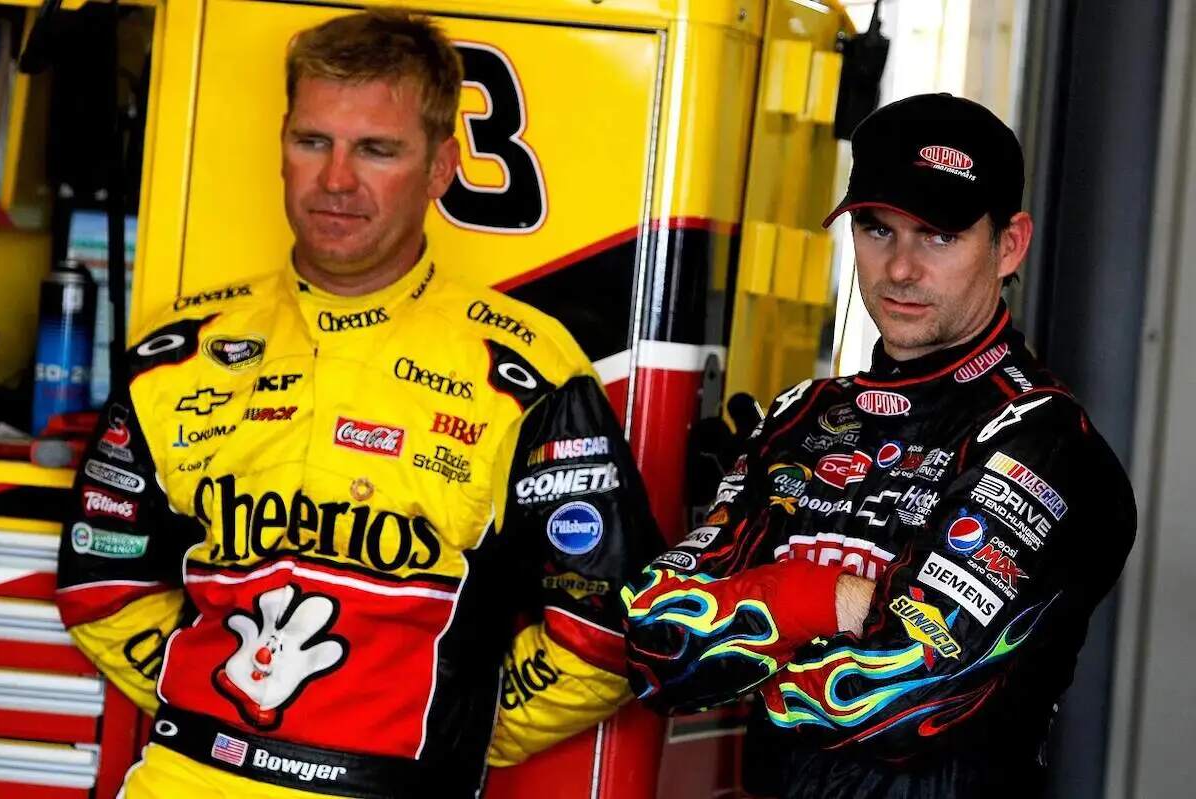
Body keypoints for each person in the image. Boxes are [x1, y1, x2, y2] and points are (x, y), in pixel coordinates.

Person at [56, 10, 660, 798]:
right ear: (281, 145)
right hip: (185, 776)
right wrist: (223, 690)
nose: (336, 180)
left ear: (441, 168)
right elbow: (102, 583)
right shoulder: (179, 353)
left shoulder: (526, 369)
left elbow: (607, 627)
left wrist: (458, 720)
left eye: (377, 150)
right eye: (313, 142)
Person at [622, 93, 1136, 799]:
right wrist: (835, 598)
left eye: (938, 236)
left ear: (1009, 243)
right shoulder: (800, 417)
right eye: (876, 229)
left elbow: (895, 697)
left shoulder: (1045, 442)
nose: (899, 269)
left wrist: (756, 611)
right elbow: (656, 646)